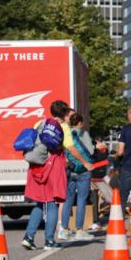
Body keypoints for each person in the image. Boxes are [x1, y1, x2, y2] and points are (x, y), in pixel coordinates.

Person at [22, 101, 100, 250]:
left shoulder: (40, 123)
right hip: (53, 169)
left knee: (40, 203)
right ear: (64, 114)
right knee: (52, 203)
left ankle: (29, 237)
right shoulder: (63, 128)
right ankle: (49, 240)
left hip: (37, 167)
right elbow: (71, 149)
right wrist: (85, 162)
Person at [59, 112, 107, 241]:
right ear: (80, 123)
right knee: (81, 200)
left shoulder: (66, 133)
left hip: (71, 168)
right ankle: (79, 230)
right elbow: (90, 151)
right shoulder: (83, 133)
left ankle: (64, 229)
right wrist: (96, 146)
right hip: (84, 170)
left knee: (68, 199)